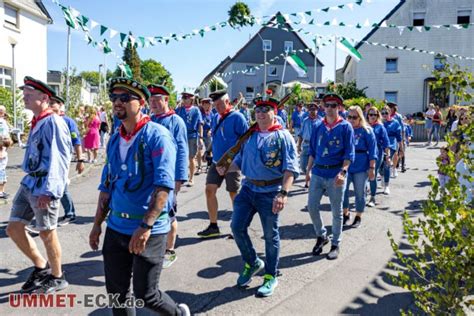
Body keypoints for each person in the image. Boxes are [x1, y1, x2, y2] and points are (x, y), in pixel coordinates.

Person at [89, 78, 190, 315]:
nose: (117, 102)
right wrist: (96, 225)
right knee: (118, 294)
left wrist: (145, 226)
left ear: (141, 102)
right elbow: (106, 186)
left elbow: (163, 186)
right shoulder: (115, 138)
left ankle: (178, 313)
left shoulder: (158, 136)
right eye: (114, 98)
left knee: (146, 294)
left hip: (149, 229)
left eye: (125, 98)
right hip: (116, 226)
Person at [217, 96, 298, 297]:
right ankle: (253, 262)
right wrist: (225, 167)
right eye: (258, 110)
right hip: (248, 189)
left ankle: (271, 276)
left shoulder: (283, 136)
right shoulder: (250, 135)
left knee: (270, 236)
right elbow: (240, 161)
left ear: (274, 113)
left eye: (265, 109)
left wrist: (284, 193)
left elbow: (290, 168)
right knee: (236, 227)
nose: (260, 113)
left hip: (270, 192)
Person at [6, 76, 72, 293]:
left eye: (29, 93)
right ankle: (41, 266)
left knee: (47, 232)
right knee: (14, 228)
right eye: (24, 92)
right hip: (30, 182)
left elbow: (60, 158)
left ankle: (57, 275)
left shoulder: (54, 122)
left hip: (44, 184)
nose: (24, 96)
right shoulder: (38, 121)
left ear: (44, 97)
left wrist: (51, 191)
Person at [306, 93, 355, 260]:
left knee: (337, 211)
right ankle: (321, 235)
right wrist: (308, 170)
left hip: (336, 173)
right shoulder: (318, 126)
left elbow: (349, 153)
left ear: (339, 107)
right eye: (327, 105)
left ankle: (335, 243)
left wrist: (343, 172)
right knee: (312, 207)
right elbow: (312, 150)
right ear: (323, 107)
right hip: (318, 172)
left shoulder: (345, 127)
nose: (330, 108)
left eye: (334, 105)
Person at [197, 90, 248, 238]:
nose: (217, 107)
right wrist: (209, 150)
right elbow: (216, 136)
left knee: (234, 194)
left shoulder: (238, 117)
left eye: (220, 104)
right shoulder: (215, 117)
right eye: (215, 105)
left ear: (227, 103)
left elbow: (245, 140)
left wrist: (242, 162)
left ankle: (239, 227)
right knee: (209, 190)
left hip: (233, 162)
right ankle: (213, 226)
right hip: (216, 161)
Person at [148, 84, 189, 269]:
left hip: (170, 177)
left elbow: (182, 150)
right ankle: (154, 247)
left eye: (158, 100)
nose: (154, 103)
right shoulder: (149, 120)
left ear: (166, 100)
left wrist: (179, 178)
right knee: (153, 210)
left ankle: (169, 250)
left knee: (168, 213)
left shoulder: (176, 121)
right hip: (152, 176)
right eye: (151, 100)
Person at [49, 95, 85, 226]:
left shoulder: (68, 121)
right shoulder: (46, 120)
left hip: (61, 160)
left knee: (61, 187)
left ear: (60, 105)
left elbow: (76, 141)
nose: (50, 106)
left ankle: (70, 214)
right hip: (48, 160)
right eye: (48, 103)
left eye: (53, 103)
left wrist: (80, 160)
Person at [342, 106, 377, 228]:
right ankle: (346, 213)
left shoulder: (367, 131)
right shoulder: (344, 129)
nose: (351, 119)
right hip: (346, 166)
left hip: (361, 166)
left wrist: (372, 168)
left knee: (360, 193)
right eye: (349, 117)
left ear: (360, 117)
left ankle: (358, 216)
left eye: (354, 117)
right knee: (342, 192)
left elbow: (373, 151)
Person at [175, 92, 203, 186]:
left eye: (186, 98)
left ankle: (191, 178)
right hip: (181, 136)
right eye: (183, 98)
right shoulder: (179, 110)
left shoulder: (196, 110)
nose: (184, 100)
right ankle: (179, 177)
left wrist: (201, 138)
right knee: (180, 157)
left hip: (192, 136)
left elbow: (200, 124)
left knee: (191, 158)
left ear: (191, 99)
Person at [367, 106, 389, 207]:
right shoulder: (364, 125)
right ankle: (363, 196)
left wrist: (387, 157)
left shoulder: (380, 127)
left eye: (374, 115)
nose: (372, 116)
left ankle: (372, 197)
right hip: (364, 154)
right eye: (370, 114)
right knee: (363, 175)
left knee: (373, 175)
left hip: (377, 154)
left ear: (377, 116)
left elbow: (386, 143)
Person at [297, 103, 320, 188]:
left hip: (316, 147)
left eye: (314, 109)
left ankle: (309, 182)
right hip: (306, 145)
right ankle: (308, 174)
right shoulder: (305, 120)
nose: (312, 111)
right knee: (303, 165)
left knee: (314, 165)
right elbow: (300, 134)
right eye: (310, 109)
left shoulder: (321, 121)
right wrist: (298, 146)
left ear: (317, 110)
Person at [381, 105, 402, 195]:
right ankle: (382, 176)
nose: (384, 114)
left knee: (386, 165)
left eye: (386, 113)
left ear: (390, 113)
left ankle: (386, 186)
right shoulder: (380, 123)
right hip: (380, 145)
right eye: (383, 113)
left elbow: (399, 137)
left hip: (391, 145)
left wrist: (401, 148)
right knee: (380, 166)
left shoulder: (395, 123)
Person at [388, 102, 405, 178]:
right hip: (386, 138)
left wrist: (402, 138)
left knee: (395, 154)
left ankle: (394, 168)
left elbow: (401, 128)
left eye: (391, 108)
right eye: (389, 107)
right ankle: (386, 170)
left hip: (395, 138)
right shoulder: (384, 115)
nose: (390, 109)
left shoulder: (398, 116)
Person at [197, 97, 213, 174]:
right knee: (199, 150)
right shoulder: (199, 113)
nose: (207, 106)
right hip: (200, 133)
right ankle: (199, 167)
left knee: (209, 151)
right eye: (206, 104)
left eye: (209, 104)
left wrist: (210, 130)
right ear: (202, 105)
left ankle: (209, 166)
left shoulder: (212, 113)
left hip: (208, 134)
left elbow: (213, 124)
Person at [0, 105, 12, 199]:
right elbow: (4, 138)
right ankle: (0, 192)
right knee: (1, 170)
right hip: (1, 149)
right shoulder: (2, 123)